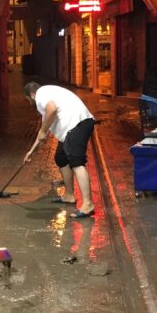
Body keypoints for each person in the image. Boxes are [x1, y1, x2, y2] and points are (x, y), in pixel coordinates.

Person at [22, 82, 96, 218]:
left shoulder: (41, 95)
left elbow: (52, 110)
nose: (30, 103)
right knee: (61, 157)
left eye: (28, 100)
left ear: (31, 95)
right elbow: (42, 133)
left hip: (78, 124)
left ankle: (88, 204)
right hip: (74, 127)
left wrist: (43, 130)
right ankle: (69, 195)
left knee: (76, 163)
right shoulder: (48, 94)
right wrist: (30, 152)